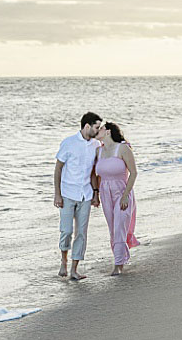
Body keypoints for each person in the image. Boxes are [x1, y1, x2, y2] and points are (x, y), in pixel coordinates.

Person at [54, 112, 103, 280]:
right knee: (66, 231)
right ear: (87, 126)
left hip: (86, 194)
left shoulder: (96, 145)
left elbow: (93, 172)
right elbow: (58, 169)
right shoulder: (68, 143)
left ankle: (75, 269)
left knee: (81, 233)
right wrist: (57, 194)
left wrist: (96, 194)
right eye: (96, 127)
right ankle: (63, 261)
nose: (98, 131)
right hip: (68, 193)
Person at [94, 122, 139, 275]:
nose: (97, 130)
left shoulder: (123, 148)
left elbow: (133, 173)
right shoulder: (98, 151)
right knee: (114, 229)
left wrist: (126, 195)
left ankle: (118, 264)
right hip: (105, 193)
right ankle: (121, 257)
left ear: (108, 131)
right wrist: (95, 195)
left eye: (100, 128)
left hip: (122, 192)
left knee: (120, 226)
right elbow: (95, 175)